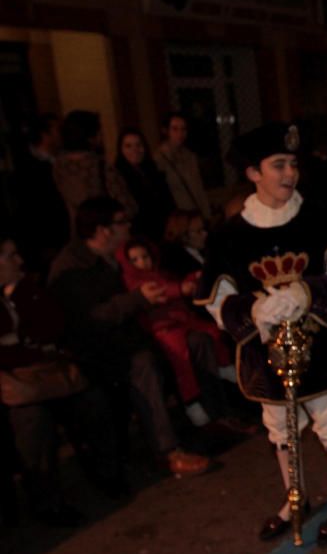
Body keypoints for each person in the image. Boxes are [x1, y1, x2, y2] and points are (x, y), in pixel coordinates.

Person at [195, 123, 327, 544]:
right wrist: (252, 310)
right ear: (253, 172)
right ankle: (295, 496)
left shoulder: (317, 216)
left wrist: (308, 294)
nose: (290, 173)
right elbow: (216, 295)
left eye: (293, 164)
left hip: (318, 344)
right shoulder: (229, 234)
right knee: (278, 425)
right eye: (278, 165)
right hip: (267, 350)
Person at [48, 197, 210, 477]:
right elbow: (91, 317)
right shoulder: (72, 268)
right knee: (142, 364)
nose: (129, 227)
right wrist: (137, 299)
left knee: (192, 339)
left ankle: (211, 416)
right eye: (122, 222)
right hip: (95, 347)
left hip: (127, 334)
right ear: (102, 230)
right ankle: (167, 451)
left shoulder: (112, 256)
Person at [1, 234, 121, 521]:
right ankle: (47, 502)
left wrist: (20, 297)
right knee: (32, 419)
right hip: (17, 385)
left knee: (91, 400)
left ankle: (107, 474)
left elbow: (51, 328)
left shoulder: (25, 289)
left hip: (47, 374)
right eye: (10, 256)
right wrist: (30, 350)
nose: (19, 260)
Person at [117, 238, 234, 427]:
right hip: (164, 327)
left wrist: (191, 280)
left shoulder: (159, 273)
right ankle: (191, 401)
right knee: (181, 360)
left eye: (144, 257)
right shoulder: (134, 281)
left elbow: (174, 285)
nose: (141, 262)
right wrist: (180, 289)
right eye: (135, 259)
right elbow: (164, 292)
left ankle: (224, 366)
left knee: (212, 330)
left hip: (183, 321)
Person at [53, 111, 136, 233]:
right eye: (99, 132)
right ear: (91, 137)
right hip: (106, 231)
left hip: (79, 232)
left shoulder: (58, 166)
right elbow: (127, 206)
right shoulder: (100, 166)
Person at [13, 113, 70, 275]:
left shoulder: (58, 163)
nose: (62, 135)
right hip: (47, 243)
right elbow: (32, 209)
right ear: (46, 135)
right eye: (57, 130)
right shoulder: (28, 170)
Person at [113, 128, 176, 241]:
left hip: (164, 231)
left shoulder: (153, 170)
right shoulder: (117, 177)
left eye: (138, 145)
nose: (135, 150)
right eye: (128, 146)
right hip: (139, 235)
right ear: (120, 150)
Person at [154, 112, 212, 221]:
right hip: (178, 216)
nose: (180, 133)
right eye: (175, 129)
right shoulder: (159, 159)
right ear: (166, 131)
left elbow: (199, 187)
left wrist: (206, 213)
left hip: (195, 214)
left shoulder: (190, 156)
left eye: (183, 129)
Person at [160, 209, 210, 279]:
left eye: (203, 229)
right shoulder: (176, 262)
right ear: (183, 236)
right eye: (199, 231)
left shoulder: (206, 248)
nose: (205, 233)